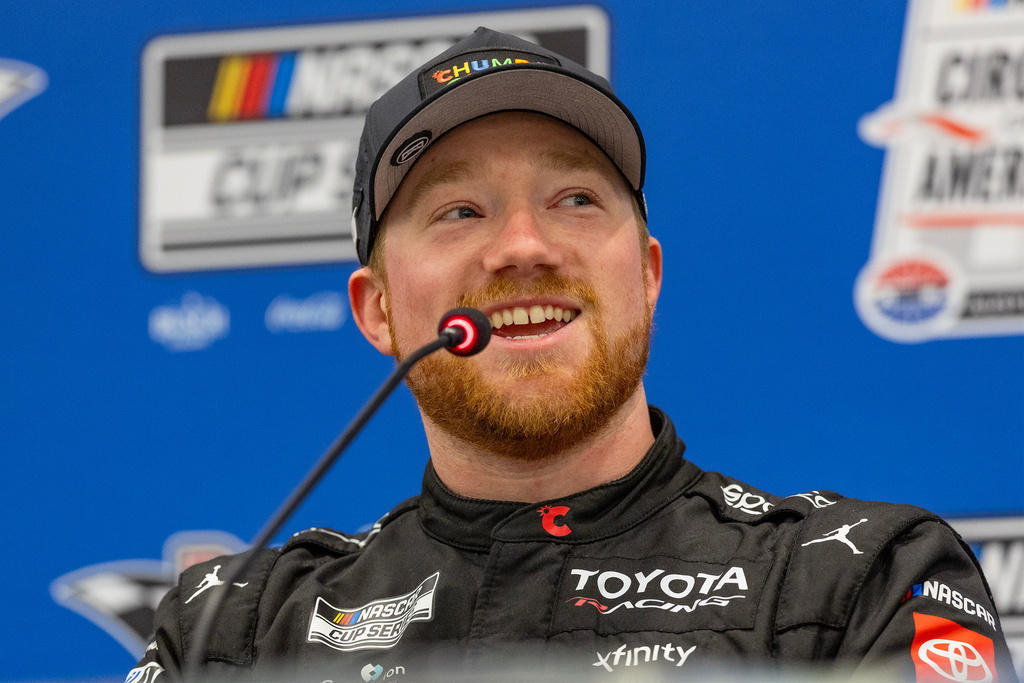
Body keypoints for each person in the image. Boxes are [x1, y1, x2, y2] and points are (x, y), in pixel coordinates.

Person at [127, 28, 1019, 682]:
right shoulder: (233, 628)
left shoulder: (864, 576)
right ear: (380, 309)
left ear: (647, 272)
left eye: (575, 199)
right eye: (459, 211)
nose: (523, 245)